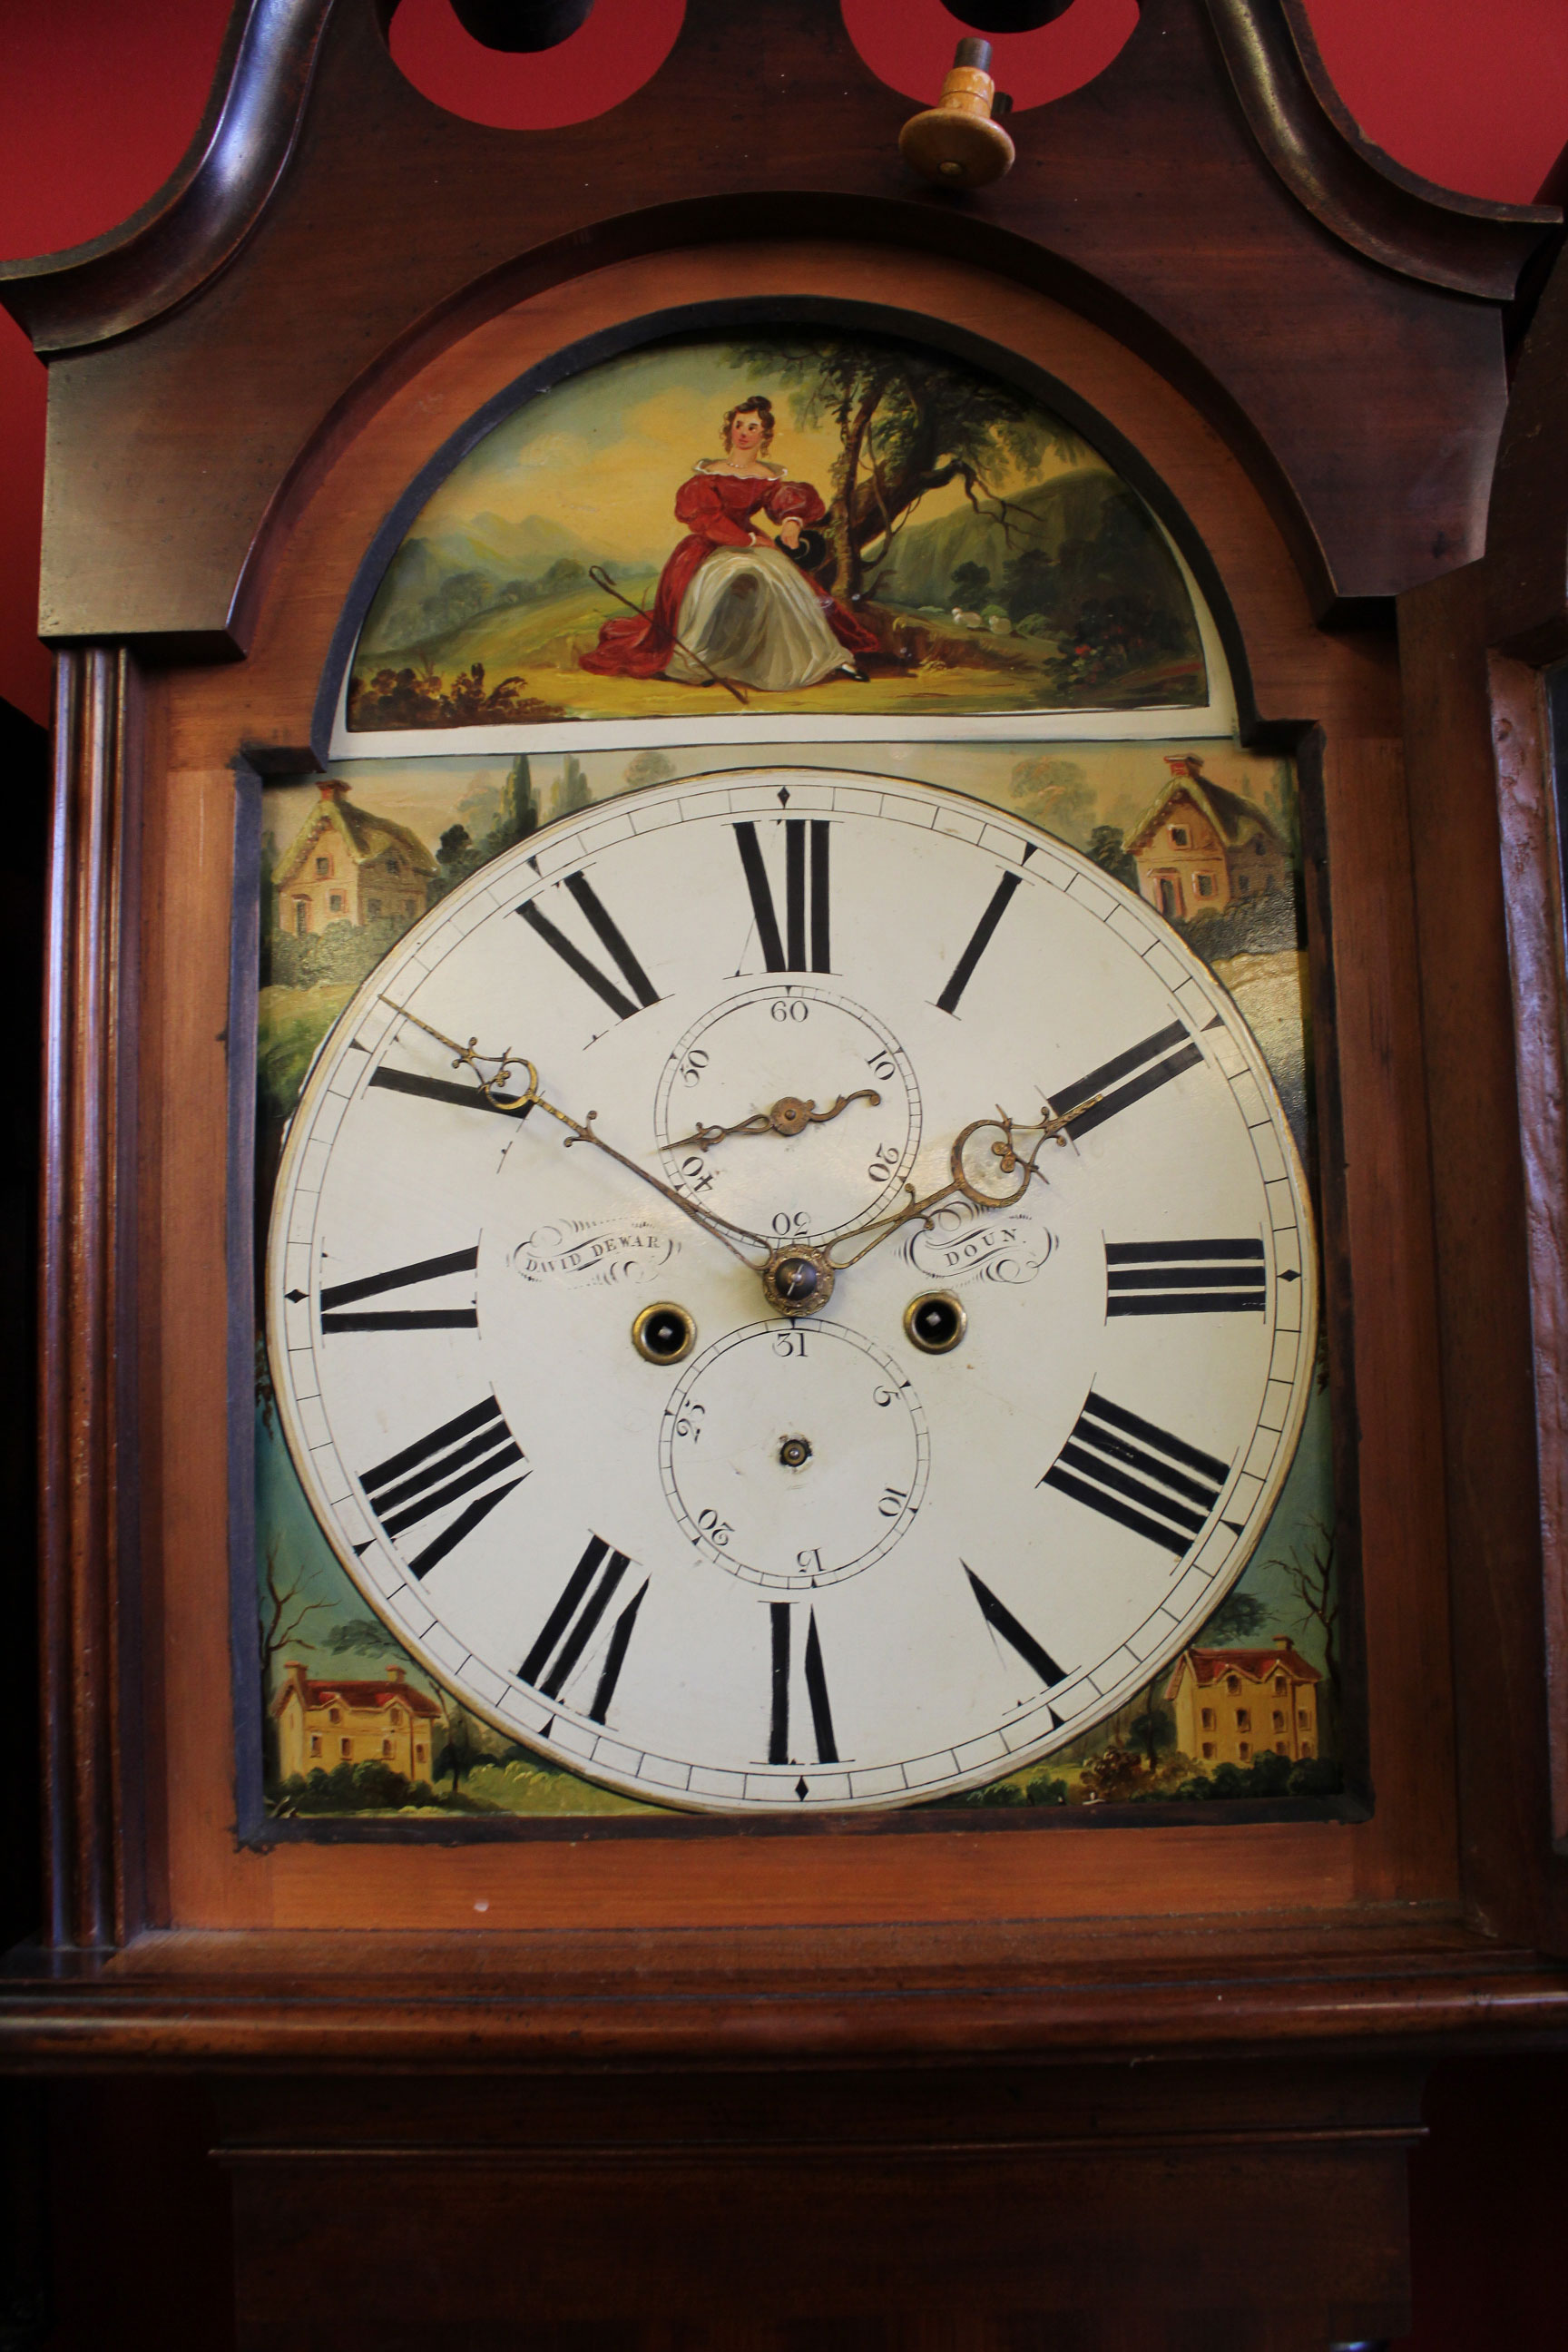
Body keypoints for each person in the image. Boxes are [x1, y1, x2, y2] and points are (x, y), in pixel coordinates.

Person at [580, 395, 879, 690]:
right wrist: (745, 541)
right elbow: (705, 520)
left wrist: (791, 521)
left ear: (765, 434)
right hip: (707, 548)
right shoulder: (708, 474)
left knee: (781, 578)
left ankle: (825, 657)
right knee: (740, 573)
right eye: (739, 425)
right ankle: (695, 661)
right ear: (729, 430)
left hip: (752, 545)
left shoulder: (766, 476)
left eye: (752, 427)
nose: (744, 433)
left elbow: (781, 498)